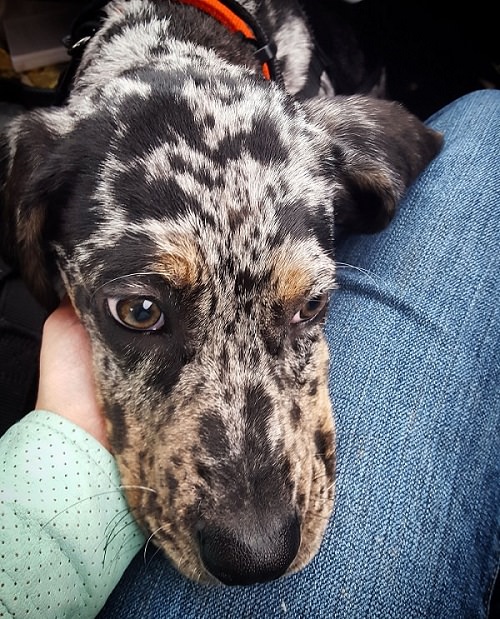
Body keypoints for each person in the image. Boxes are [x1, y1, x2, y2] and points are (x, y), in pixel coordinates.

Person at [1, 89, 499, 618]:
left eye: (307, 304)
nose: (255, 534)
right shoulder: (56, 173)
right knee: (487, 115)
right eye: (142, 311)